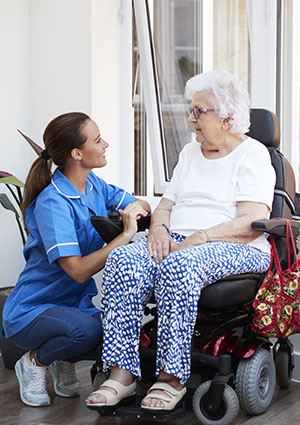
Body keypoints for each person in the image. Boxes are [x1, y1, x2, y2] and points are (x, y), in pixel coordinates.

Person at [86, 70, 276, 412]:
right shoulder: (190, 153)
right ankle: (122, 375)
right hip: (178, 239)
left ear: (228, 116)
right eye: (193, 110)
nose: (191, 119)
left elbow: (250, 223)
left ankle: (170, 378)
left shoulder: (254, 155)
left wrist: (200, 238)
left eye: (199, 111)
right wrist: (158, 228)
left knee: (179, 264)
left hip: (237, 246)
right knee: (122, 262)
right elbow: (166, 206)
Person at [1, 112, 150, 407]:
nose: (105, 144)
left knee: (117, 328)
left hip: (72, 306)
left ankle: (59, 357)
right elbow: (79, 271)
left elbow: (138, 202)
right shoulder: (53, 203)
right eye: (98, 140)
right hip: (33, 311)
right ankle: (34, 360)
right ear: (77, 153)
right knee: (90, 331)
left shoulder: (93, 185)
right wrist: (124, 235)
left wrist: (135, 209)